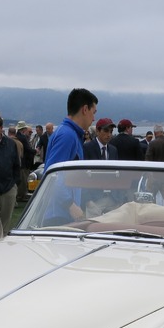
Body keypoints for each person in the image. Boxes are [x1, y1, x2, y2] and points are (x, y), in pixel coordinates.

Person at [43, 88, 98, 225]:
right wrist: (70, 205)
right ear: (85, 109)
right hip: (59, 216)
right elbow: (53, 175)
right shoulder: (67, 136)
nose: (94, 118)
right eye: (93, 112)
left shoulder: (70, 134)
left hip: (64, 213)